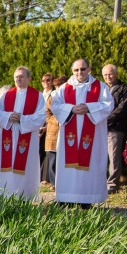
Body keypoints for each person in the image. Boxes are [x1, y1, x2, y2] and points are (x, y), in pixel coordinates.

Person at [51, 59, 114, 207]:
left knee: (90, 164)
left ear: (89, 69)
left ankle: (87, 199)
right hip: (69, 134)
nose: (80, 72)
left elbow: (109, 104)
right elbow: (55, 105)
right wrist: (71, 109)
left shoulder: (100, 87)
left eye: (83, 69)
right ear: (72, 71)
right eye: (76, 70)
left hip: (93, 136)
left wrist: (89, 108)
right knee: (68, 166)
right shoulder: (65, 87)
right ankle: (66, 198)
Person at [0, 67, 47, 201]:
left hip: (26, 135)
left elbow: (41, 116)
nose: (18, 79)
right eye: (16, 77)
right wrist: (10, 116)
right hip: (8, 133)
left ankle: (26, 196)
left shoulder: (37, 95)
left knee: (26, 166)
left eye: (22, 76)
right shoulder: (7, 95)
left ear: (29, 79)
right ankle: (5, 195)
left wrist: (22, 118)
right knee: (8, 167)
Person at [103, 64, 127, 193]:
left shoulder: (124, 89)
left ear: (116, 74)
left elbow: (122, 109)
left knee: (114, 157)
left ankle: (113, 184)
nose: (108, 77)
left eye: (110, 74)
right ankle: (100, 182)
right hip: (100, 128)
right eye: (105, 75)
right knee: (100, 156)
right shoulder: (102, 88)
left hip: (115, 128)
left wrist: (106, 120)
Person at [42, 75, 68, 189]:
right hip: (53, 131)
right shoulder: (52, 97)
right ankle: (53, 182)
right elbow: (47, 112)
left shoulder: (68, 96)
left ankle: (63, 181)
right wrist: (54, 121)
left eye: (60, 86)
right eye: (57, 86)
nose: (58, 88)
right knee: (52, 158)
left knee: (64, 158)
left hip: (66, 131)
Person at [38, 73, 55, 180]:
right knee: (39, 151)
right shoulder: (40, 95)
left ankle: (46, 177)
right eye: (43, 80)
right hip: (38, 126)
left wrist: (46, 125)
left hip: (50, 126)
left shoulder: (54, 94)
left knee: (48, 152)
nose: (45, 82)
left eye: (48, 80)